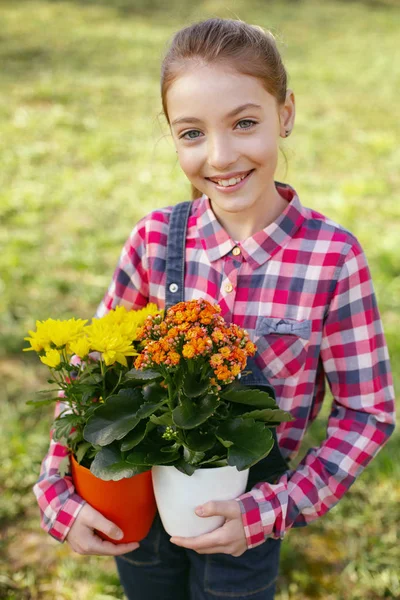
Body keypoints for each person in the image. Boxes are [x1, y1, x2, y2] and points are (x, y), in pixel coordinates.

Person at [33, 17, 396, 600]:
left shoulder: (332, 259)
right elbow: (86, 371)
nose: (221, 157)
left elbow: (366, 415)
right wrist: (57, 489)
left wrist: (275, 508)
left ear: (286, 114)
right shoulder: (155, 241)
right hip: (139, 511)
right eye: (192, 133)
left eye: (245, 123)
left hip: (251, 525)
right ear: (171, 136)